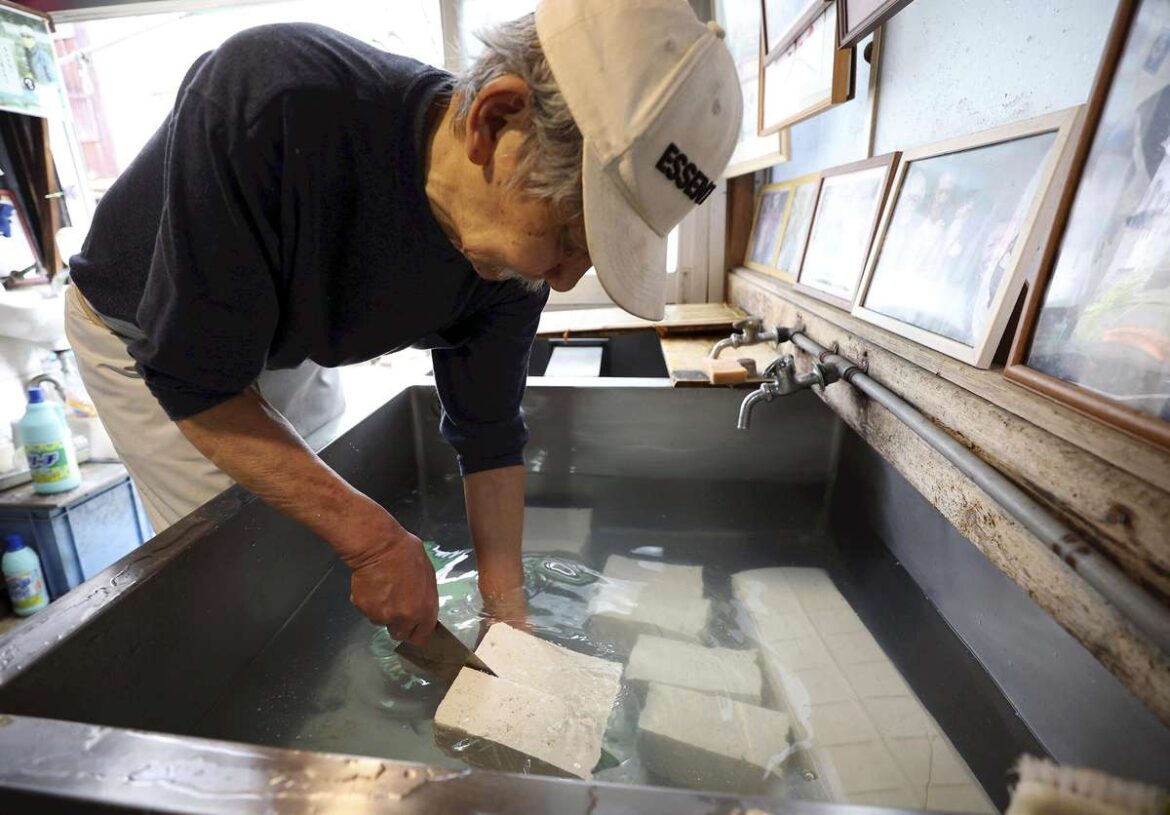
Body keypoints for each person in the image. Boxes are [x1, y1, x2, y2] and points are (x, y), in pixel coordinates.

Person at [63, 0, 741, 644]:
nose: (563, 278)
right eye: (570, 235)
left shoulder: (512, 268)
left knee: (325, 552)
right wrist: (375, 538)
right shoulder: (273, 104)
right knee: (252, 580)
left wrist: (505, 615)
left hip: (278, 337)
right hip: (145, 335)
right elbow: (195, 379)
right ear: (495, 121)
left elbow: (491, 436)